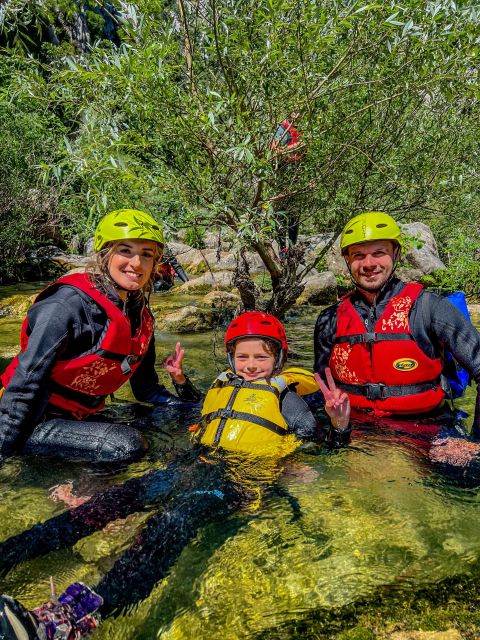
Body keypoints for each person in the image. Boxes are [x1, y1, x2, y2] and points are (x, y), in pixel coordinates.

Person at [0, 312, 350, 639]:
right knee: (107, 503)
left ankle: (69, 620)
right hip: (191, 465)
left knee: (172, 522)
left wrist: (339, 426)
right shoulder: (223, 385)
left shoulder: (287, 399)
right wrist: (181, 382)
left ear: (279, 360)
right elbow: (205, 411)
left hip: (237, 479)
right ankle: (10, 555)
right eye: (242, 357)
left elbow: (318, 446)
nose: (251, 365)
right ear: (231, 359)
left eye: (261, 357)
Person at [0, 209, 200, 464]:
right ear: (105, 254)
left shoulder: (139, 315)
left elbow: (147, 391)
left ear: (155, 263)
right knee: (126, 445)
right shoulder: (66, 306)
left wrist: (196, 408)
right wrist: (4, 458)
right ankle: (80, 491)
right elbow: (23, 386)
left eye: (146, 255)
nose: (136, 264)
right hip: (31, 421)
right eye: (125, 251)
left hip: (79, 417)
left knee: (163, 419)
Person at [313, 211, 480, 435]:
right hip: (355, 428)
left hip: (425, 427)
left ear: (396, 253)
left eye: (379, 253)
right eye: (359, 255)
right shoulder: (329, 319)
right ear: (348, 260)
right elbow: (323, 387)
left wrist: (475, 443)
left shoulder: (430, 308)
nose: (369, 264)